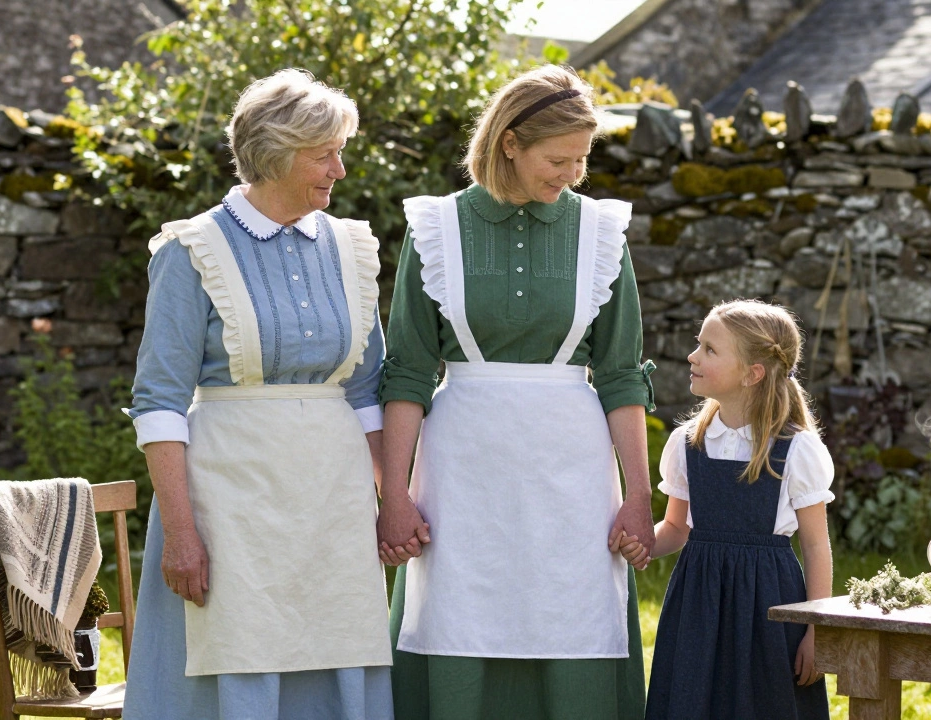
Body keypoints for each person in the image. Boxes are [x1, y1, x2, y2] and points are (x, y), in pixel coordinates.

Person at [376, 64, 656, 720]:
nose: (572, 175)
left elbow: (621, 374)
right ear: (509, 143)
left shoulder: (599, 234)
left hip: (572, 472)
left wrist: (640, 497)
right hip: (462, 471)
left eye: (582, 160)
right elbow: (409, 373)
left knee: (575, 616)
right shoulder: (437, 230)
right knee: (456, 620)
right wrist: (394, 496)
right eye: (558, 159)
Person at [122, 69, 393, 720]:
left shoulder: (350, 248)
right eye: (325, 153)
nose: (341, 169)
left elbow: (366, 391)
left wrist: (394, 501)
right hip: (228, 503)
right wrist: (183, 535)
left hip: (333, 503)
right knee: (237, 651)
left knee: (337, 647)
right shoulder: (193, 250)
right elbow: (159, 401)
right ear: (277, 151)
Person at [624, 299, 832, 720]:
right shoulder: (687, 442)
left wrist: (816, 629)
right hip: (697, 605)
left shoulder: (796, 450)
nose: (692, 356)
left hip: (770, 608)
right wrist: (642, 546)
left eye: (710, 350)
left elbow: (815, 547)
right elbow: (676, 529)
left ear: (752, 374)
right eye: (698, 345)